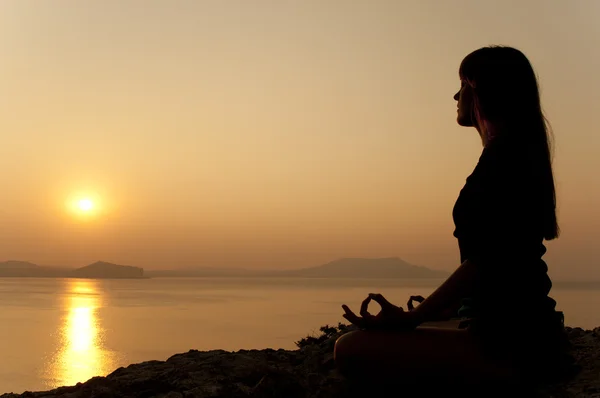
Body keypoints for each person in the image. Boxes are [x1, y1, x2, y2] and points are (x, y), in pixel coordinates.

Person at [333, 46, 570, 389]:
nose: (456, 95)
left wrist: (415, 317)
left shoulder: (502, 164)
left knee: (349, 348)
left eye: (462, 84)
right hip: (529, 332)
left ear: (479, 88)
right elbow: (505, 264)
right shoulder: (513, 157)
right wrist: (443, 309)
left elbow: (484, 262)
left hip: (512, 347)